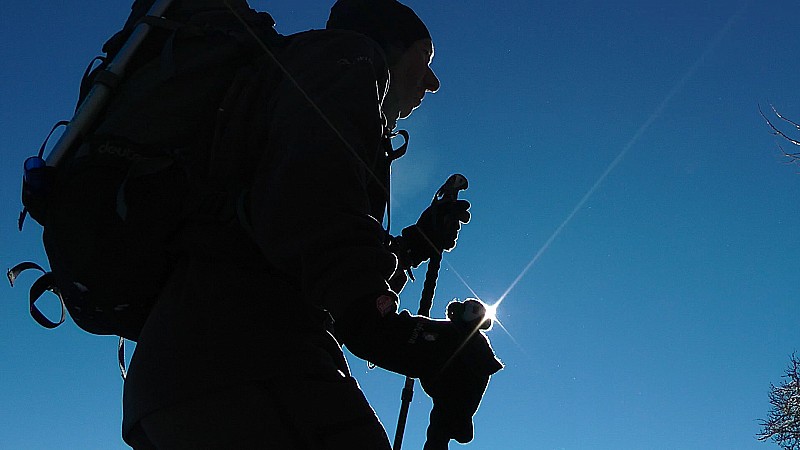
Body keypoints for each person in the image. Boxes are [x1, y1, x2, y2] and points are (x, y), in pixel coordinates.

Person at [121, 0, 502, 448]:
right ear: (391, 46)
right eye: (426, 55)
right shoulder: (349, 57)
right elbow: (312, 207)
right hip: (249, 362)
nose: (432, 82)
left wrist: (418, 244)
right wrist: (396, 335)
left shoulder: (294, 83)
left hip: (193, 375)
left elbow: (305, 239)